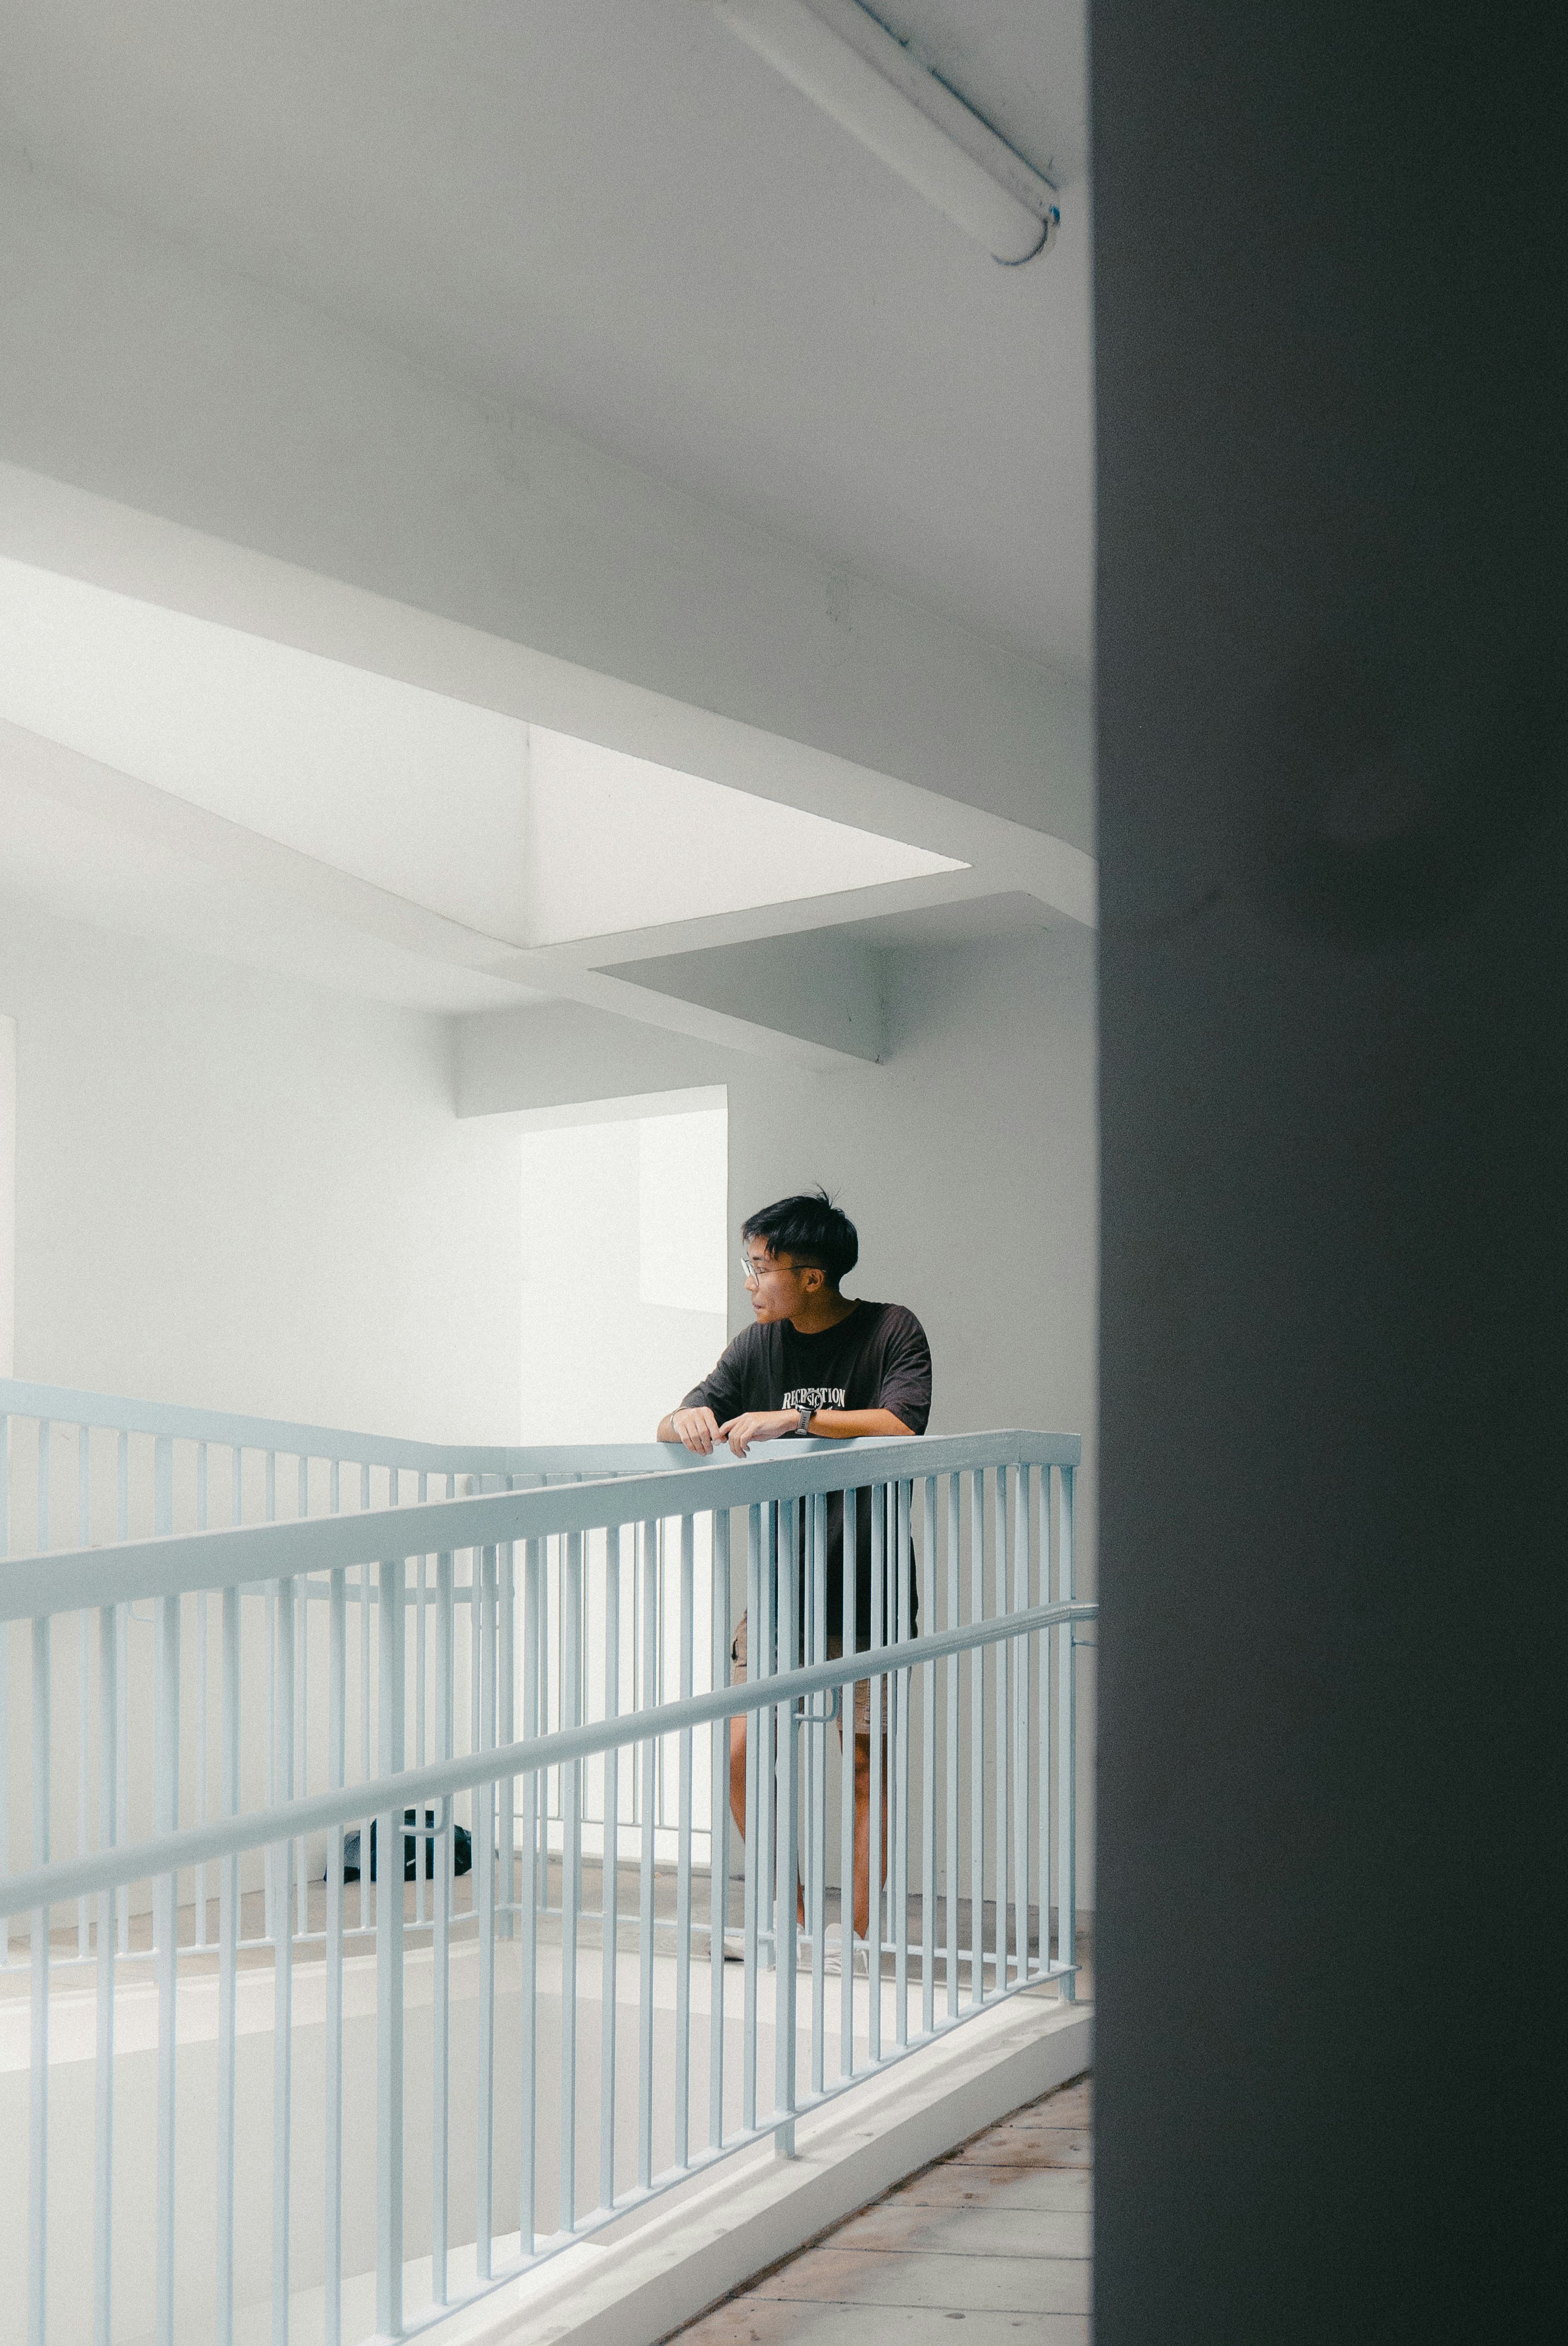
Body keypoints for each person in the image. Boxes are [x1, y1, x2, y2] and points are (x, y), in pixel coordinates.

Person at [656, 1190, 931, 1964]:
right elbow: (677, 1418)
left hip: (872, 1590)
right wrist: (685, 1421)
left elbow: (903, 1422)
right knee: (743, 1756)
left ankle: (862, 1940)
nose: (749, 1282)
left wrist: (797, 1419)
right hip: (781, 1595)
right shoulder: (755, 1347)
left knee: (865, 1766)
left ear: (811, 1276)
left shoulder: (890, 1329)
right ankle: (798, 1925)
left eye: (760, 1267)